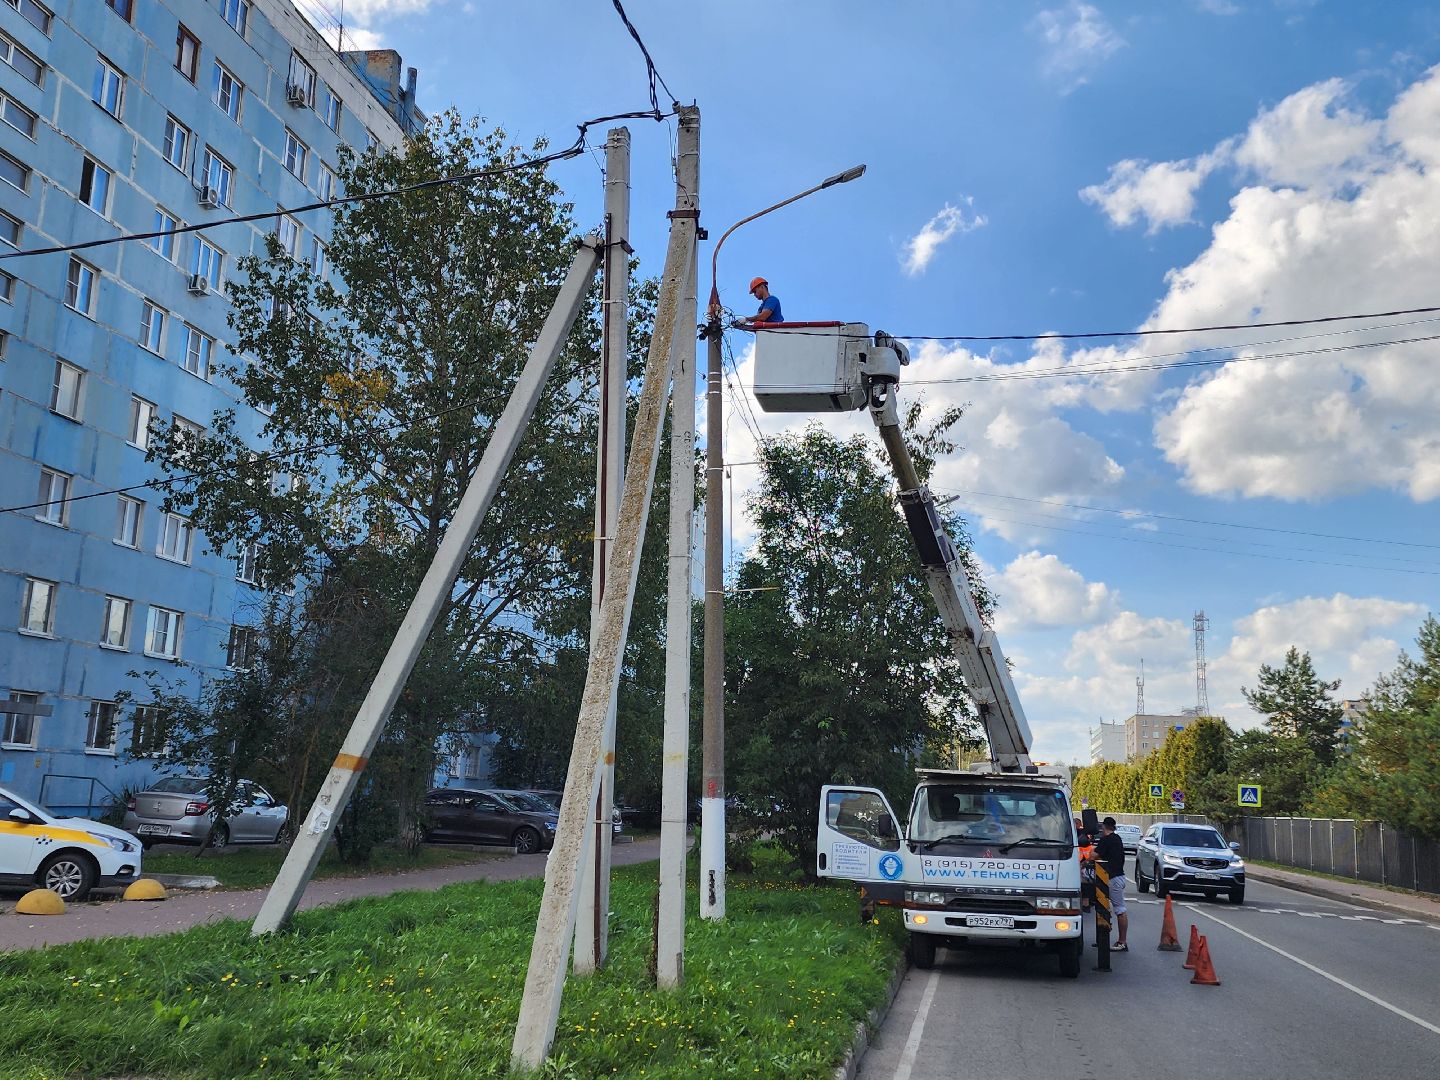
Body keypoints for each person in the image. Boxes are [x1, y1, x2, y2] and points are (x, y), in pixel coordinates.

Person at [1094, 816, 1129, 950]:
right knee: (1110, 908)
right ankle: (1113, 940)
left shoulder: (1106, 840)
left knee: (1120, 909)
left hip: (1113, 878)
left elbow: (1094, 856)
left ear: (1103, 827)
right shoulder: (1117, 838)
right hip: (1118, 877)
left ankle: (1122, 942)